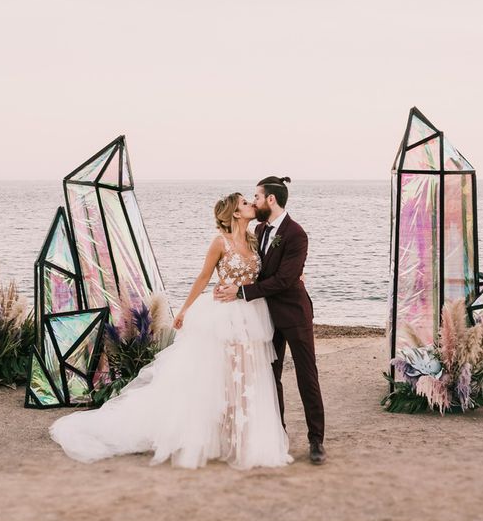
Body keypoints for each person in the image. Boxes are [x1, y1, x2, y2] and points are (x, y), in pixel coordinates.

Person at [50, 193, 292, 471]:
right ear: (236, 214)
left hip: (251, 315)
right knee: (226, 377)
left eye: (252, 201)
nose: (252, 205)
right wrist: (184, 310)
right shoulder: (219, 242)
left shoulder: (254, 239)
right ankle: (226, 438)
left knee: (249, 376)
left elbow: (264, 274)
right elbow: (204, 277)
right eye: (246, 204)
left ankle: (245, 437)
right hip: (225, 316)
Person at [214, 177, 326, 464]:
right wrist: (226, 283)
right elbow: (252, 268)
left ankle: (316, 440)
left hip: (294, 314)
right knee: (269, 377)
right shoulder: (260, 230)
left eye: (257, 197)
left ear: (271, 200)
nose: (254, 202)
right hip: (265, 317)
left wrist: (241, 292)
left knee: (306, 375)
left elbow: (285, 279)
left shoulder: (296, 234)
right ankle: (280, 434)